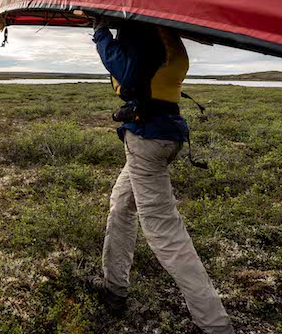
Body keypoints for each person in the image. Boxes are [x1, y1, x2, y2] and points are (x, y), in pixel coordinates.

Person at [86, 17, 233, 334]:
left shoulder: (142, 34)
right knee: (122, 204)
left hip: (147, 140)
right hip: (165, 135)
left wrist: (100, 33)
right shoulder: (166, 34)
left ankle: (216, 326)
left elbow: (126, 74)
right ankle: (114, 287)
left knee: (165, 233)